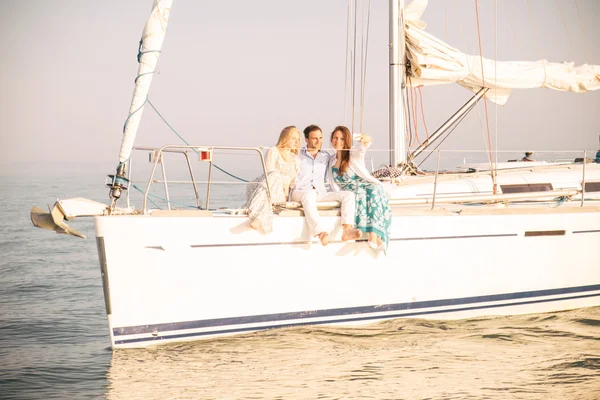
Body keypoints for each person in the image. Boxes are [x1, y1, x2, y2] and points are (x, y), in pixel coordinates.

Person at [290, 125, 361, 246]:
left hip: (320, 193)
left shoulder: (326, 156)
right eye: (314, 138)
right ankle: (319, 232)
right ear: (306, 140)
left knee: (348, 195)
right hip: (300, 192)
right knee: (309, 194)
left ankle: (347, 230)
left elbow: (342, 160)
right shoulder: (297, 154)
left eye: (320, 138)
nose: (319, 141)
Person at [329, 126, 392, 252]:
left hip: (362, 184)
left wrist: (366, 140)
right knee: (360, 193)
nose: (338, 141)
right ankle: (376, 239)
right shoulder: (331, 159)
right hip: (348, 190)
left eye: (342, 138)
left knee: (373, 190)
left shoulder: (352, 154)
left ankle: (373, 236)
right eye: (335, 138)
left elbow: (361, 149)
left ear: (347, 140)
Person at [246, 126, 301, 233]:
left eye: (298, 139)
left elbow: (292, 183)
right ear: (285, 138)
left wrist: (286, 197)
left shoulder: (296, 159)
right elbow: (268, 174)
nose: (296, 141)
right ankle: (257, 213)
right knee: (274, 175)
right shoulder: (274, 151)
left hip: (280, 194)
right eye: (293, 138)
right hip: (266, 187)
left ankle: (258, 216)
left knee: (276, 178)